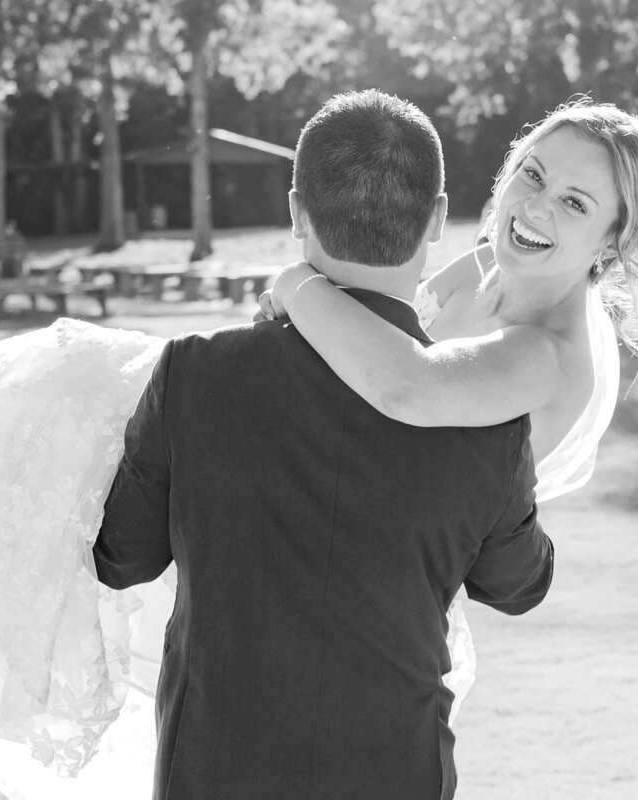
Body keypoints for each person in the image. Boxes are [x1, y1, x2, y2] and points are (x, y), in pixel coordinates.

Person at [0, 93, 638, 797]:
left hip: (357, 547)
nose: (535, 205)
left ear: (612, 244)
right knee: (53, 394)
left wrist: (296, 286)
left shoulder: (548, 355)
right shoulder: (494, 272)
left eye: (573, 202)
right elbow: (401, 317)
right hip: (335, 526)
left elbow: (402, 382)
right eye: (532, 173)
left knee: (65, 371)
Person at [91, 89, 552, 799]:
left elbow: (121, 557)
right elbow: (517, 584)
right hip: (395, 776)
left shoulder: (193, 373)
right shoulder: (486, 410)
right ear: (436, 217)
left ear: (296, 210)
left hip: (213, 775)